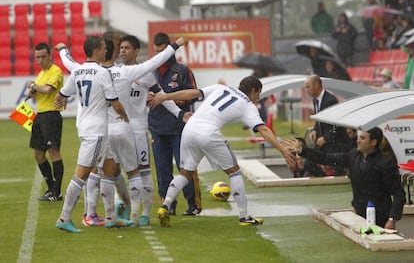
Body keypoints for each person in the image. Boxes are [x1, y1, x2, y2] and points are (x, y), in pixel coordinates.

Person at [56, 34, 190, 228]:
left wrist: (62, 50)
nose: (123, 51)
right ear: (111, 51)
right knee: (133, 172)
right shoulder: (126, 72)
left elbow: (68, 66)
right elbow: (154, 62)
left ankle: (105, 215)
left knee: (105, 172)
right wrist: (175, 45)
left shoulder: (81, 70)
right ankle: (132, 216)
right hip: (120, 128)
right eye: (121, 48)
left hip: (98, 129)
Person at [147, 75, 296, 227]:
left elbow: (193, 93)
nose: (258, 98)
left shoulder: (221, 88)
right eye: (258, 94)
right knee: (234, 172)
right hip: (208, 132)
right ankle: (244, 217)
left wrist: (165, 96)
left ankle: (165, 205)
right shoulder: (247, 105)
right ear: (253, 90)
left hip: (190, 128)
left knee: (185, 174)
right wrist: (283, 150)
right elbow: (263, 129)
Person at [55, 35, 129, 233]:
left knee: (110, 169)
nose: (107, 49)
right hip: (96, 132)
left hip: (86, 128)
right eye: (104, 47)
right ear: (96, 50)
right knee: (81, 176)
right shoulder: (102, 72)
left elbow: (63, 93)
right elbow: (114, 102)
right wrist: (124, 115)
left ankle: (112, 217)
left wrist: (59, 100)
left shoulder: (78, 70)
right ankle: (64, 218)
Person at [284, 127, 405, 229]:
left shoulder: (386, 162)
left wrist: (392, 219)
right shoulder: (353, 156)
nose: (357, 141)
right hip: (359, 214)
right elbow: (325, 158)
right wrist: (302, 150)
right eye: (358, 137)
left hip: (381, 217)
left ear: (373, 142)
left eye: (362, 138)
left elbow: (398, 192)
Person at [148, 32, 202, 216]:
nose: (158, 55)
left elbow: (193, 94)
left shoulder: (183, 71)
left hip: (180, 128)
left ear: (170, 50)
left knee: (184, 166)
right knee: (162, 169)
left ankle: (193, 205)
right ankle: (167, 204)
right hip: (156, 126)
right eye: (155, 52)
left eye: (161, 51)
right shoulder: (151, 72)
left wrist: (169, 100)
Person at [27, 42, 64, 202]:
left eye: (43, 57)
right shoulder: (41, 74)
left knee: (53, 152)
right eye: (37, 57)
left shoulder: (56, 71)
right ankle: (50, 188)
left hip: (51, 115)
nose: (40, 60)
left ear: (50, 56)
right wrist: (32, 90)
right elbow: (39, 93)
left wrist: (35, 86)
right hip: (40, 115)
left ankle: (57, 192)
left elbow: (48, 89)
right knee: (38, 154)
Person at [303, 75, 349, 176]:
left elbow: (338, 125)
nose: (306, 90)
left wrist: (325, 138)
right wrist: (315, 129)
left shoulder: (330, 100)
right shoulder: (315, 99)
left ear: (316, 85)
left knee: (335, 167)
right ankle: (325, 177)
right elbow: (319, 118)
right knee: (308, 163)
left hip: (333, 143)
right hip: (321, 142)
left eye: (308, 86)